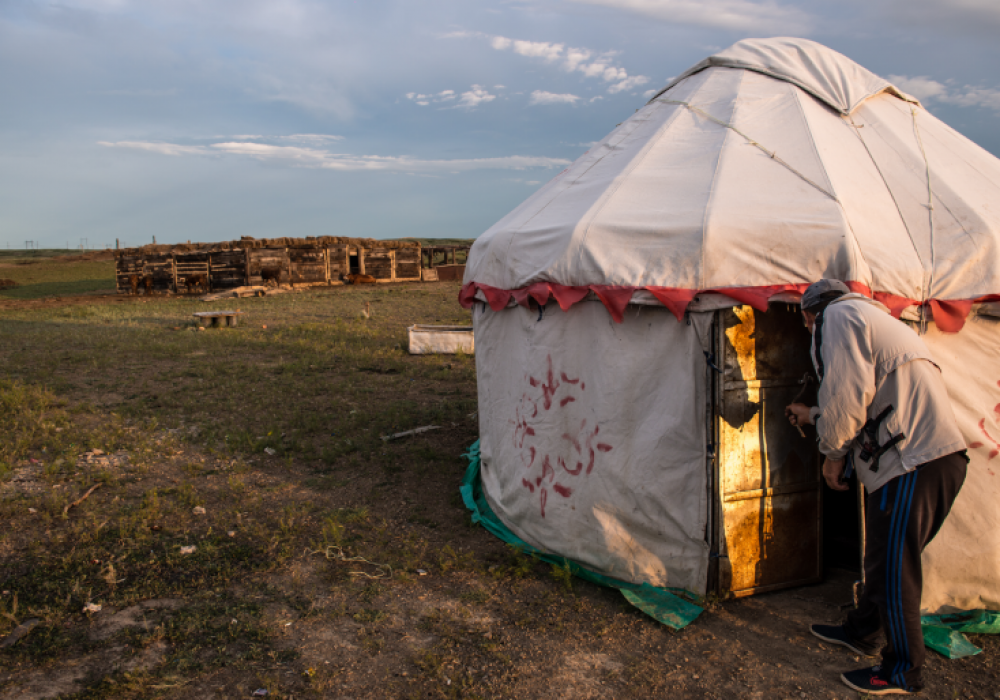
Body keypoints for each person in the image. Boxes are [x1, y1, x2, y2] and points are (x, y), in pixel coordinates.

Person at [785, 279, 968, 695]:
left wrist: (832, 454)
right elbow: (868, 397)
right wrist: (815, 416)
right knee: (884, 559)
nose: (809, 329)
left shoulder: (839, 317)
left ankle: (902, 671)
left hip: (913, 464)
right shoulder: (873, 318)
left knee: (895, 568)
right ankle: (862, 630)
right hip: (928, 460)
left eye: (806, 322)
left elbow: (847, 395)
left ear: (812, 314)